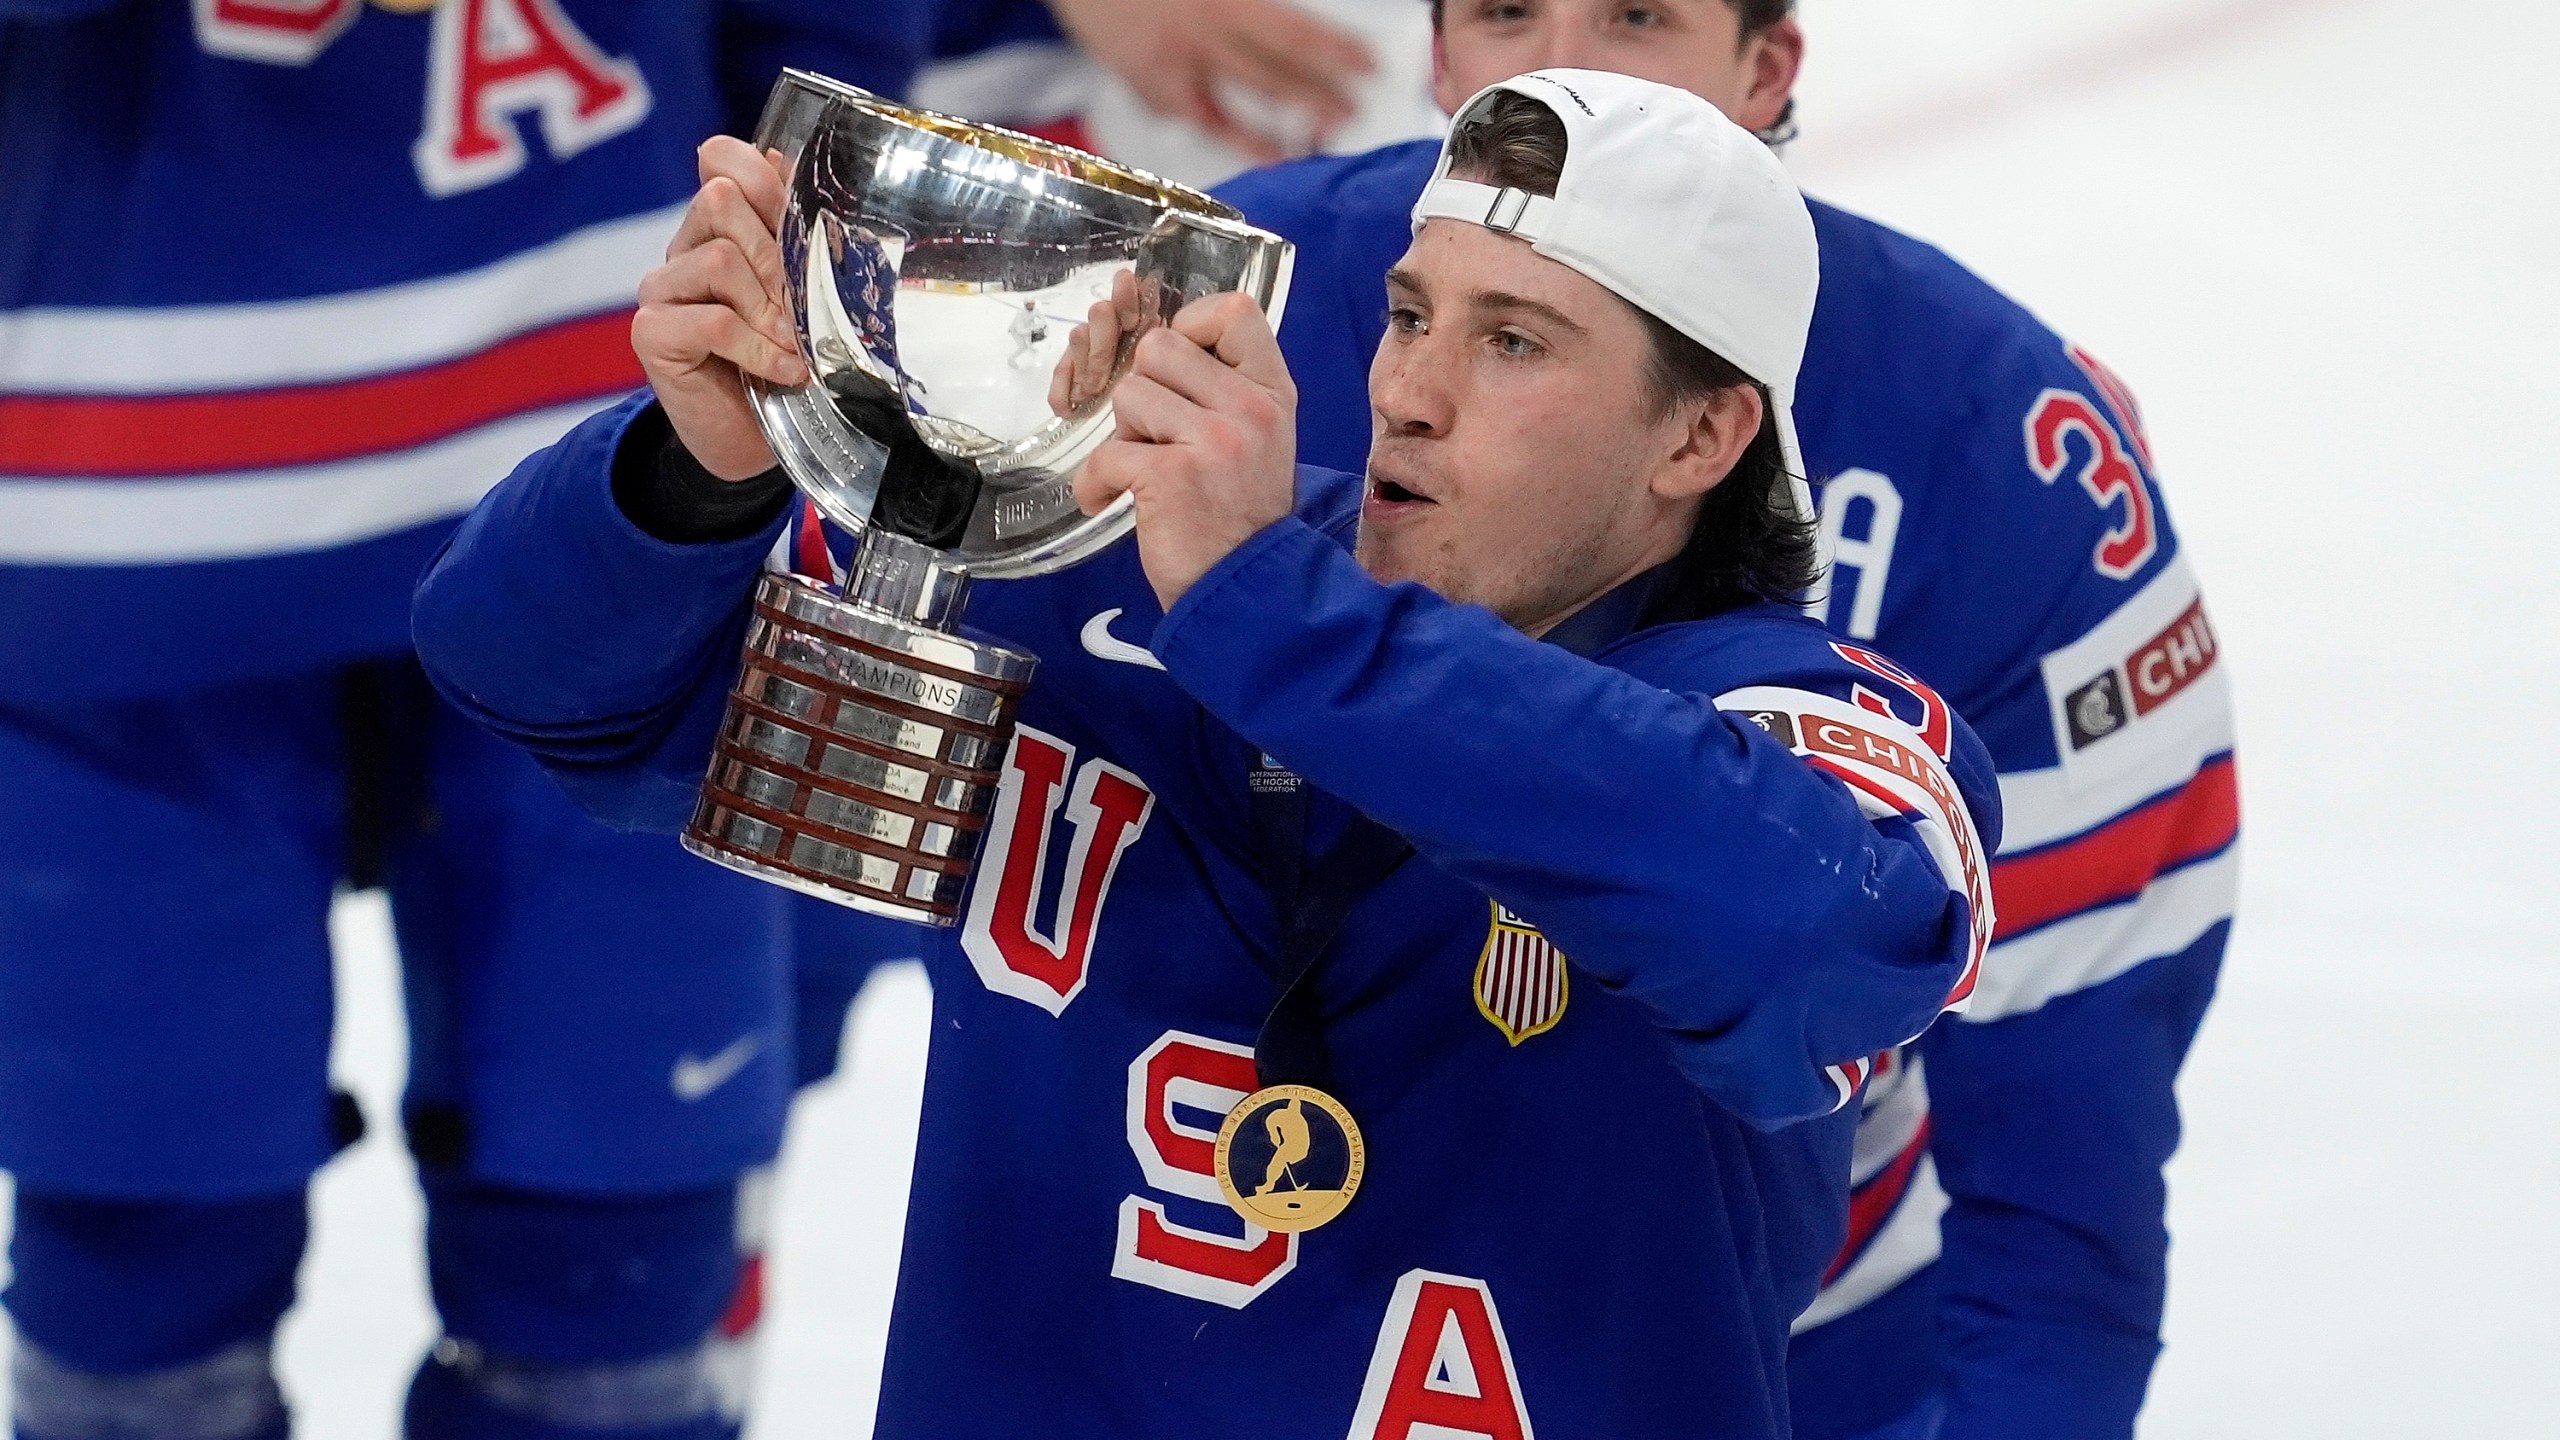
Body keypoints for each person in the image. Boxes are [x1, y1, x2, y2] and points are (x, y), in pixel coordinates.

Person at [415, 69, 1999, 1438]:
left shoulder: (1821, 726)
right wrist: (687, 475)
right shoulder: (1094, 579)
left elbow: (1810, 941)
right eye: (1407, 313)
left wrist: (1271, 614)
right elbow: (539, 685)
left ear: (1702, 436)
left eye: (1515, 344)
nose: (1410, 396)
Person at [1209, 5, 2240, 1438]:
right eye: (1506, 11)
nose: (1559, 61)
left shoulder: (2006, 449)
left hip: (1762, 1356)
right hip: (1201, 1296)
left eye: (1636, 13)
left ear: (1768, 71)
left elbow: (2070, 1140)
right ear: (1438, 58)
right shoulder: (1213, 301)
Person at [0, 4, 943, 1437]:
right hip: (120, 504)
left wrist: (817, 198)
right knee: (140, 1248)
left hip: (621, 462)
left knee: (614, 1256)